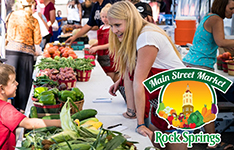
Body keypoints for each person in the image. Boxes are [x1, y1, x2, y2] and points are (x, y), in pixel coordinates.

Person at [107, 1, 186, 149]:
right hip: (164, 92)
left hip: (179, 93)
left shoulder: (147, 36)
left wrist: (140, 123)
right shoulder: (137, 34)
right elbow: (130, 71)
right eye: (111, 26)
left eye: (117, 25)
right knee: (158, 138)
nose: (113, 30)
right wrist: (132, 113)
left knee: (173, 137)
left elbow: (139, 81)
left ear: (130, 19)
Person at [182, 0, 234, 149]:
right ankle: (214, 143)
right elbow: (221, 42)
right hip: (200, 66)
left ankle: (204, 138)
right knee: (207, 104)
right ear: (222, 5)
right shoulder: (217, 19)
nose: (233, 11)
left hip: (191, 64)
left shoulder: (208, 16)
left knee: (201, 104)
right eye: (231, 8)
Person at [0, 63, 61, 150]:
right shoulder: (4, 109)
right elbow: (29, 124)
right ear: (1, 89)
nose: (17, 83)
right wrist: (59, 123)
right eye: (13, 82)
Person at [6, 0, 41, 112]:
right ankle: (22, 111)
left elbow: (9, 35)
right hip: (27, 53)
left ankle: (10, 109)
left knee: (10, 81)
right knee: (24, 84)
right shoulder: (34, 20)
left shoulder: (12, 16)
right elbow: (38, 40)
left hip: (11, 51)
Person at [89, 4, 118, 82]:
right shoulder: (102, 27)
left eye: (107, 17)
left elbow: (111, 44)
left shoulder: (112, 28)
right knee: (103, 73)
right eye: (103, 17)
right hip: (101, 55)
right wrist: (95, 44)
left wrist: (97, 47)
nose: (105, 19)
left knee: (109, 76)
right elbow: (102, 40)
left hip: (110, 56)